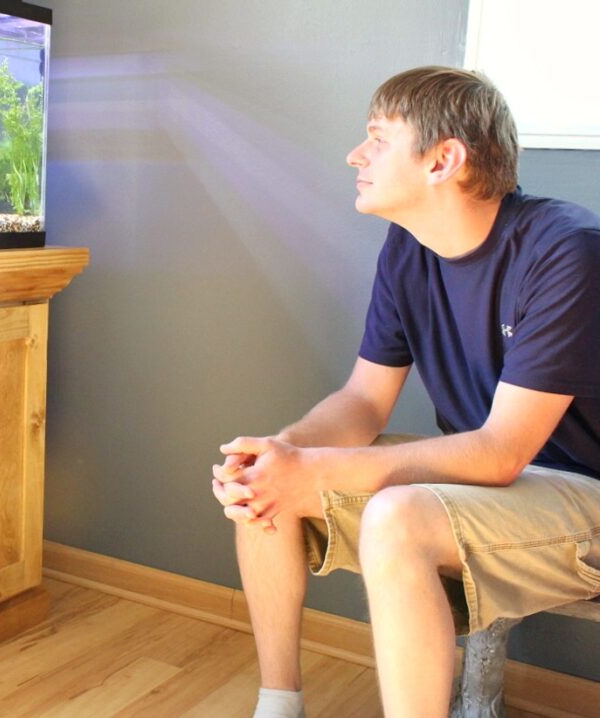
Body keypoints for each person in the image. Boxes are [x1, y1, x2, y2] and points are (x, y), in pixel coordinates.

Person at [211, 66, 600, 718]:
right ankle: (278, 706)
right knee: (264, 476)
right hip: (490, 488)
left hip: (583, 493)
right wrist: (287, 451)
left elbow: (504, 450)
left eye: (377, 139)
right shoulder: (408, 249)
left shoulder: (567, 251)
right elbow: (364, 400)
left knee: (396, 517)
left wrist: (320, 468)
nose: (355, 156)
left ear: (443, 160)